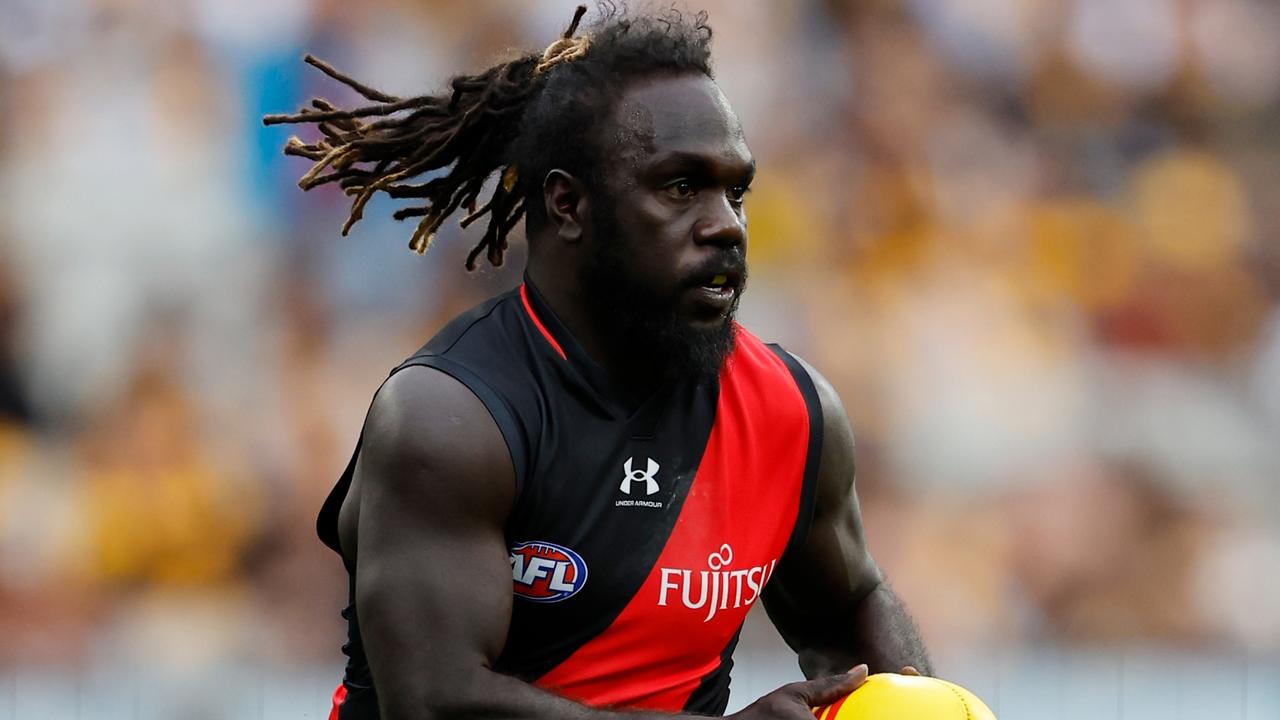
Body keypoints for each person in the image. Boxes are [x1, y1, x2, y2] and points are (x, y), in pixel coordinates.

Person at [265, 5, 931, 720]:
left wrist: (924, 702)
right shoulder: (450, 417)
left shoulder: (793, 413)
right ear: (567, 204)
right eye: (681, 188)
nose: (727, 225)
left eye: (734, 191)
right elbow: (435, 705)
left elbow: (852, 602)